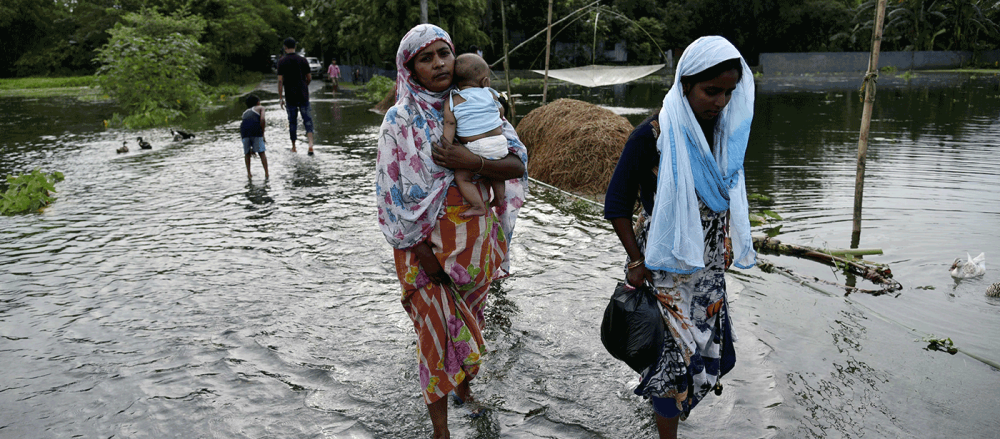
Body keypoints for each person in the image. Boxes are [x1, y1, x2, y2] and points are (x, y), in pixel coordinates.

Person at [375, 23, 528, 439]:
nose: (439, 63)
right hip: (422, 251)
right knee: (434, 337)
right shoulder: (400, 120)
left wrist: (469, 159)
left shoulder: (472, 101)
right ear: (411, 68)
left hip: (473, 250)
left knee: (467, 327)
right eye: (427, 58)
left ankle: (464, 389)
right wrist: (425, 256)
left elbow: (516, 163)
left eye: (444, 53)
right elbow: (391, 197)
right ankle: (440, 430)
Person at [603, 36, 756, 439]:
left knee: (709, 353)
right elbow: (616, 205)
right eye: (711, 91)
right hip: (663, 264)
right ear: (685, 83)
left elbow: (720, 194)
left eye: (727, 92)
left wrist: (723, 239)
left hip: (705, 267)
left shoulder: (724, 135)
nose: (720, 101)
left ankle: (667, 409)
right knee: (671, 363)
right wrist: (636, 263)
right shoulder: (651, 137)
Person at [442, 53, 506, 217]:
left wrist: (447, 145)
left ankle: (477, 205)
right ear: (485, 81)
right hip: (500, 143)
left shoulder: (454, 99)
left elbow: (450, 124)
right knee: (496, 172)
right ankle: (499, 198)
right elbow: (500, 113)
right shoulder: (490, 93)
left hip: (475, 147)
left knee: (462, 177)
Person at [276, 37, 315, 155]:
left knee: (292, 122)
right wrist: (304, 86)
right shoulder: (303, 60)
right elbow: (309, 78)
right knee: (307, 120)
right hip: (303, 95)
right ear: (295, 47)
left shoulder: (282, 62)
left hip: (290, 96)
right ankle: (310, 145)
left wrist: (280, 98)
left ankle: (294, 147)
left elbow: (280, 81)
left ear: (285, 47)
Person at [240, 94, 269, 179]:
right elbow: (262, 119)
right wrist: (262, 133)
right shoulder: (260, 108)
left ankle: (249, 174)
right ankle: (266, 173)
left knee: (247, 153)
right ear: (258, 102)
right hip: (255, 131)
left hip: (244, 133)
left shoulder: (244, 113)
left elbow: (244, 124)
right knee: (261, 152)